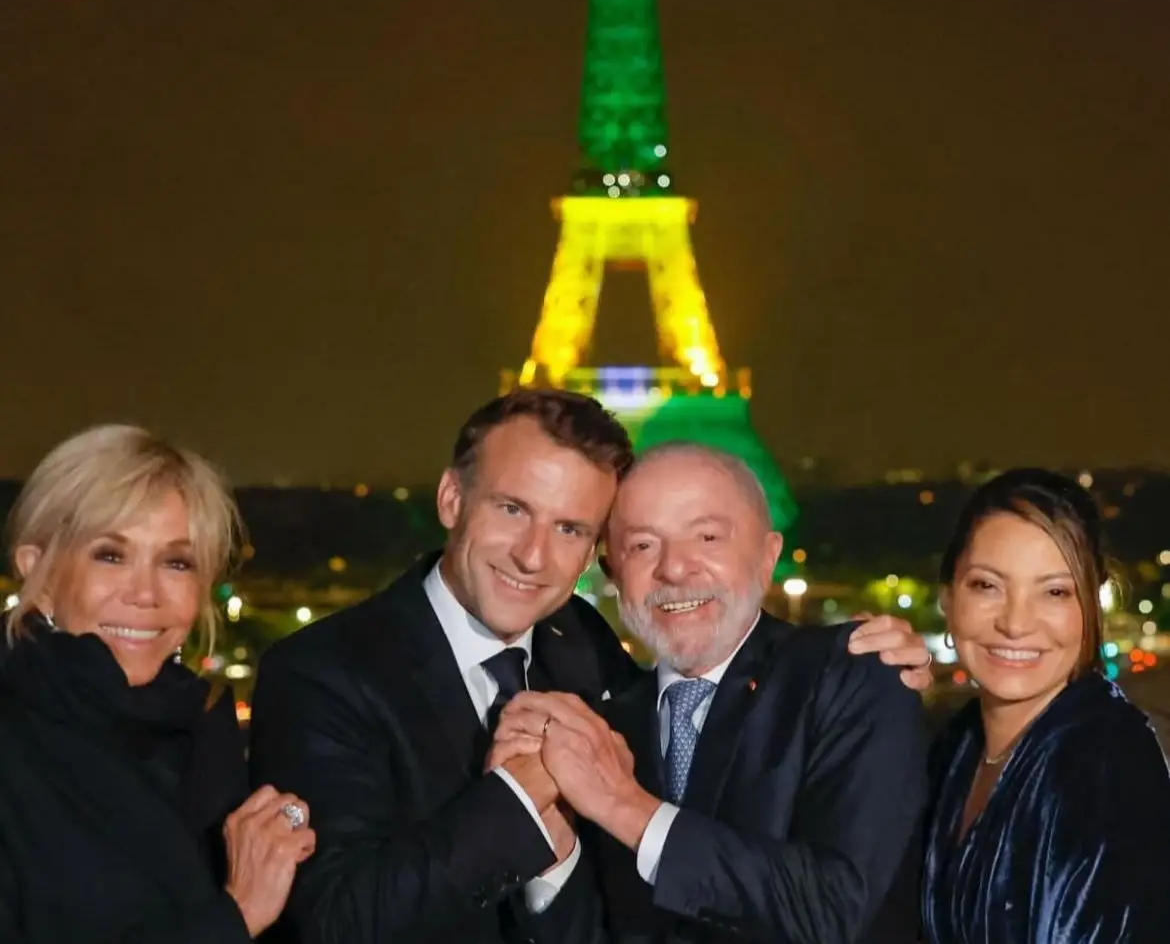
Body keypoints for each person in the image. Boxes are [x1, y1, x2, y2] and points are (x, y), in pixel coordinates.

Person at [249, 389, 932, 944]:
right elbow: (333, 919)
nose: (534, 556)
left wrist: (608, 816)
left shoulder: (584, 652)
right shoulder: (320, 672)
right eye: (513, 509)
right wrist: (523, 807)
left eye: (571, 528)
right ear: (451, 500)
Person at [494, 442, 929, 944]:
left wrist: (625, 806)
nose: (675, 569)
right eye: (642, 546)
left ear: (768, 557)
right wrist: (554, 852)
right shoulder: (604, 722)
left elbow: (834, 909)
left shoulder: (852, 678)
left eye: (706, 537)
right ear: (614, 575)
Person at [0, 425, 316, 944]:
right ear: (40, 572)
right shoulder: (14, 740)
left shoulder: (205, 735)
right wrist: (237, 915)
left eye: (176, 562)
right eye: (110, 555)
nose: (145, 593)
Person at [921, 468, 1170, 944]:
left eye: (1054, 592)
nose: (1015, 623)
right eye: (986, 586)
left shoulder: (1106, 766)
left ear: (1090, 610)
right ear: (948, 597)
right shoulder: (957, 745)